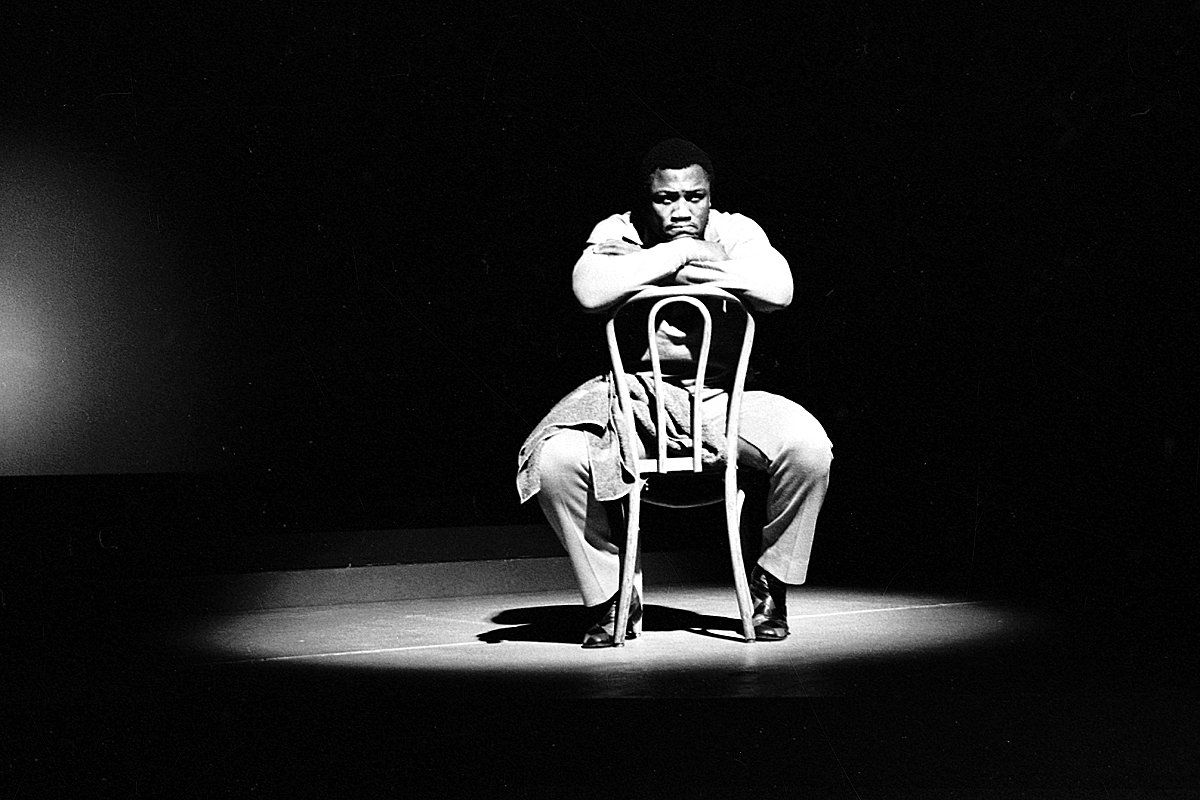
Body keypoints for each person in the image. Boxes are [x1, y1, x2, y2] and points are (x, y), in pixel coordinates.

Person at [516, 138, 832, 647]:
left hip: (723, 399)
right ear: (647, 201)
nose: (682, 211)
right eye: (666, 199)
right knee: (554, 462)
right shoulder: (618, 229)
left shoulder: (736, 229)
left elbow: (779, 290)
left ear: (710, 196)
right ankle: (611, 595)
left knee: (809, 448)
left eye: (694, 197)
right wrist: (683, 253)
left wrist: (659, 266)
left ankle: (770, 582)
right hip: (632, 400)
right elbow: (589, 291)